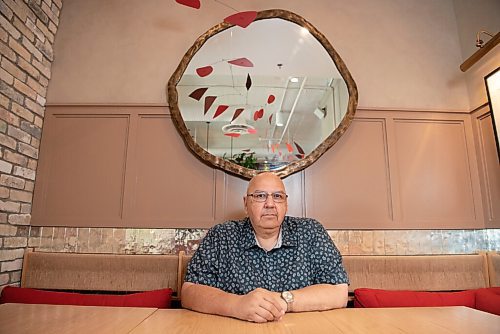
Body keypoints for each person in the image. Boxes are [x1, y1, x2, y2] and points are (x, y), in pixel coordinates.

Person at [181, 172, 348, 323]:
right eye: (260, 196)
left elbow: (338, 292)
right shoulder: (221, 236)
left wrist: (283, 300)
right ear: (246, 204)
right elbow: (190, 292)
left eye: (277, 196)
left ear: (286, 204)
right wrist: (236, 305)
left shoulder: (311, 232)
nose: (270, 204)